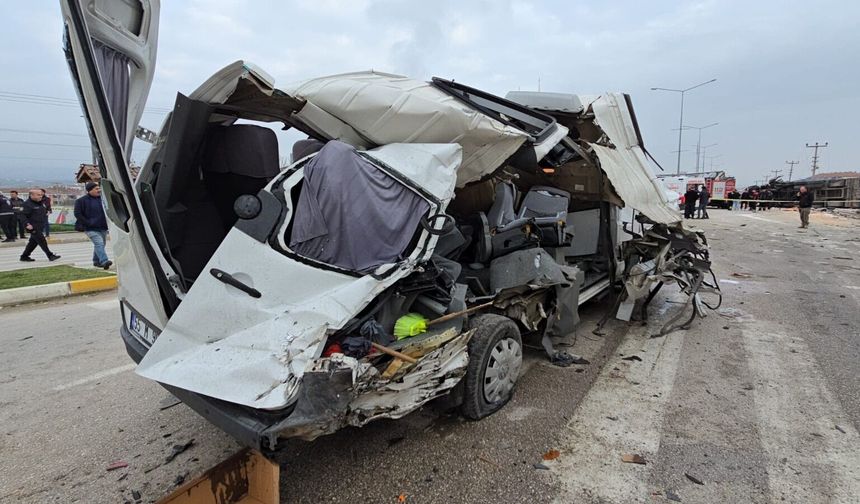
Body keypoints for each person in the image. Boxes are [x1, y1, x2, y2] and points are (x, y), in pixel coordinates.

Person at [74, 182, 112, 269]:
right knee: (99, 243)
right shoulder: (81, 201)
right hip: (90, 228)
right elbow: (77, 214)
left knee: (101, 244)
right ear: (89, 190)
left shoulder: (103, 200)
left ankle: (96, 261)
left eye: (99, 188)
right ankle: (104, 261)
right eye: (96, 189)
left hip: (103, 227)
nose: (99, 190)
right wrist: (88, 222)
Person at [19, 189, 61, 263]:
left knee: (33, 242)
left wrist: (47, 212)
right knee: (42, 240)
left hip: (40, 225)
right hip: (32, 226)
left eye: (41, 194)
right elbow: (22, 216)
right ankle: (50, 255)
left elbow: (42, 211)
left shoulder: (40, 203)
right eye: (38, 195)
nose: (40, 196)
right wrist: (27, 224)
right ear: (31, 195)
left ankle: (24, 256)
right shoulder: (27, 204)